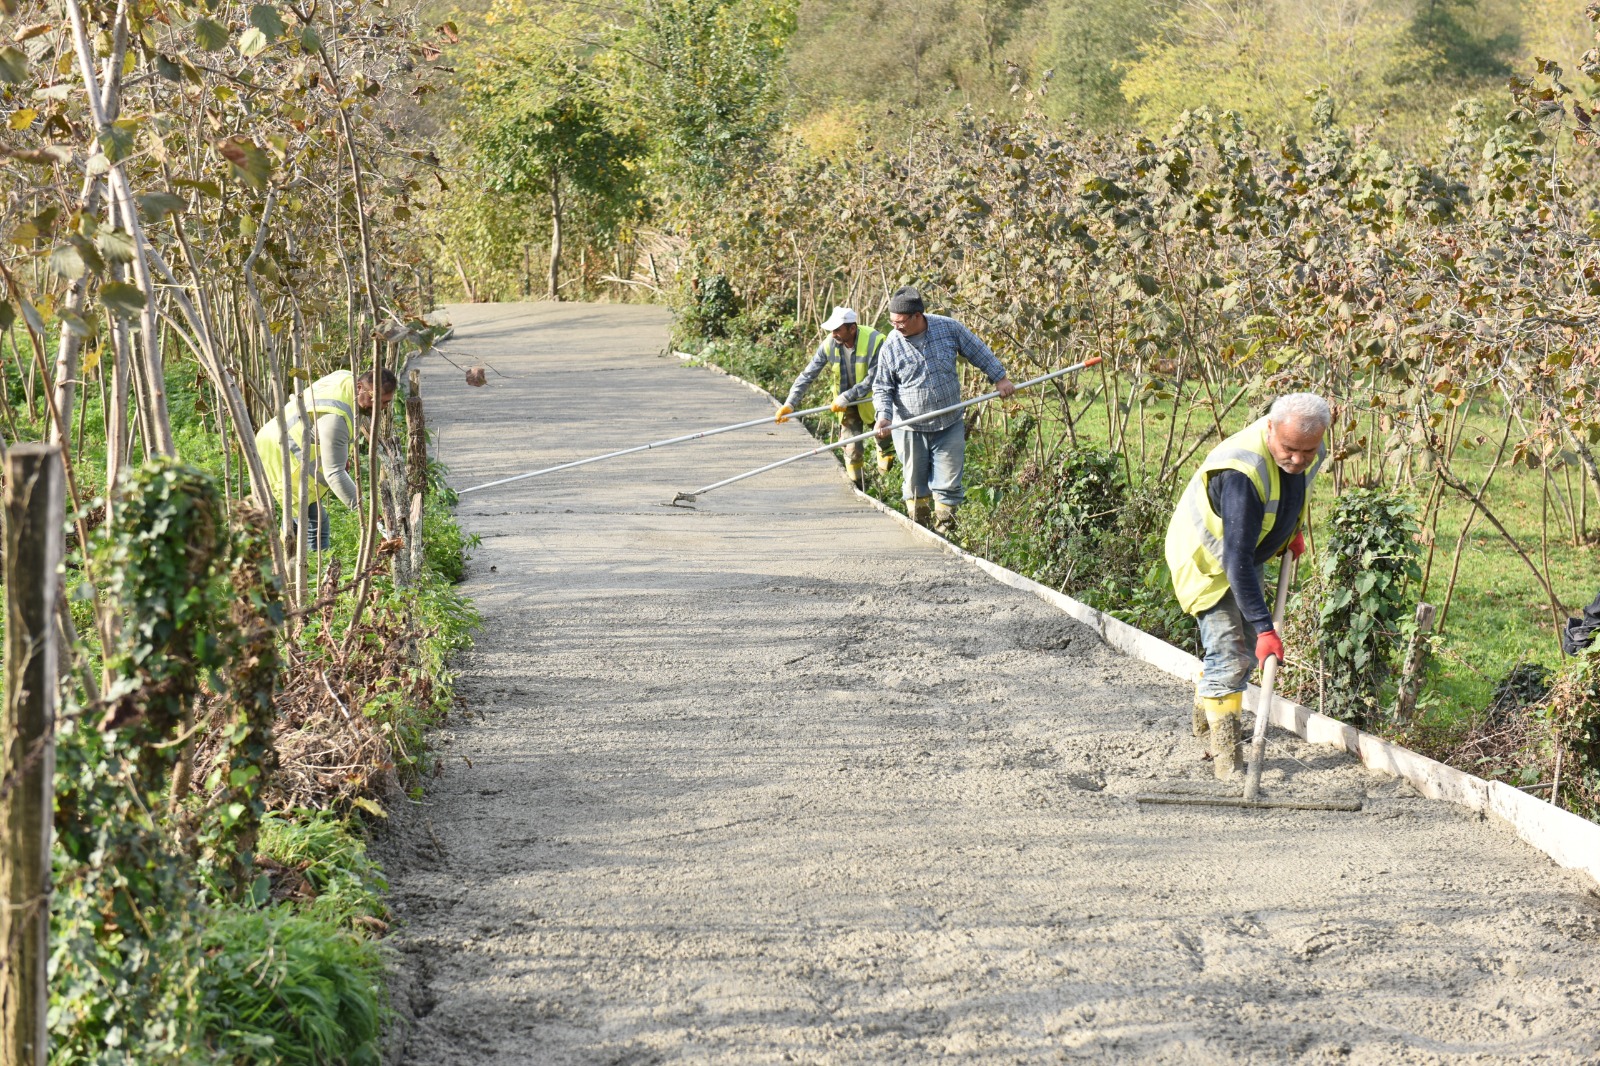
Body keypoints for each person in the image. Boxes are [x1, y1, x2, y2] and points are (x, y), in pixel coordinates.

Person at [1164, 393, 1329, 778]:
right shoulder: (1242, 473)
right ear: (1270, 427)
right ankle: (1227, 762)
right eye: (1289, 449)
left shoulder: (1307, 447)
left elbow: (1291, 489)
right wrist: (1266, 628)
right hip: (1207, 559)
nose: (1298, 459)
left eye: (1308, 450)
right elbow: (1234, 559)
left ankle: (1204, 721)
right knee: (1231, 653)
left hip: (1246, 549)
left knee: (1239, 654)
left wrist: (1291, 531)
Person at [870, 286, 1015, 534]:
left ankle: (945, 534)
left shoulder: (948, 328)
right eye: (892, 322)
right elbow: (883, 387)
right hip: (910, 426)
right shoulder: (891, 345)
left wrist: (999, 378)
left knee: (949, 483)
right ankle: (919, 530)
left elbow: (977, 350)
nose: (895, 327)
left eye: (900, 322)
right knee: (915, 485)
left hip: (949, 422)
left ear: (917, 316)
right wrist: (884, 416)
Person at [255, 367, 398, 551]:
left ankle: (285, 555)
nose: (381, 407)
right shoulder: (335, 418)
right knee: (314, 523)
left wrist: (340, 452)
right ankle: (306, 562)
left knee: (299, 517)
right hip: (280, 454)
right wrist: (371, 514)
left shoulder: (345, 378)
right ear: (359, 387)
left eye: (386, 402)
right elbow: (335, 474)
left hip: (277, 434)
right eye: (376, 400)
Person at [775, 306, 895, 488]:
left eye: (837, 330)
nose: (833, 334)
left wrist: (848, 396)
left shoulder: (875, 340)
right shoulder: (829, 344)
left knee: (885, 444)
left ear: (852, 328)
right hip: (845, 405)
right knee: (851, 449)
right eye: (832, 330)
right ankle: (859, 487)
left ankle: (886, 485)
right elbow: (808, 375)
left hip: (875, 401)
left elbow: (875, 378)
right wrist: (790, 403)